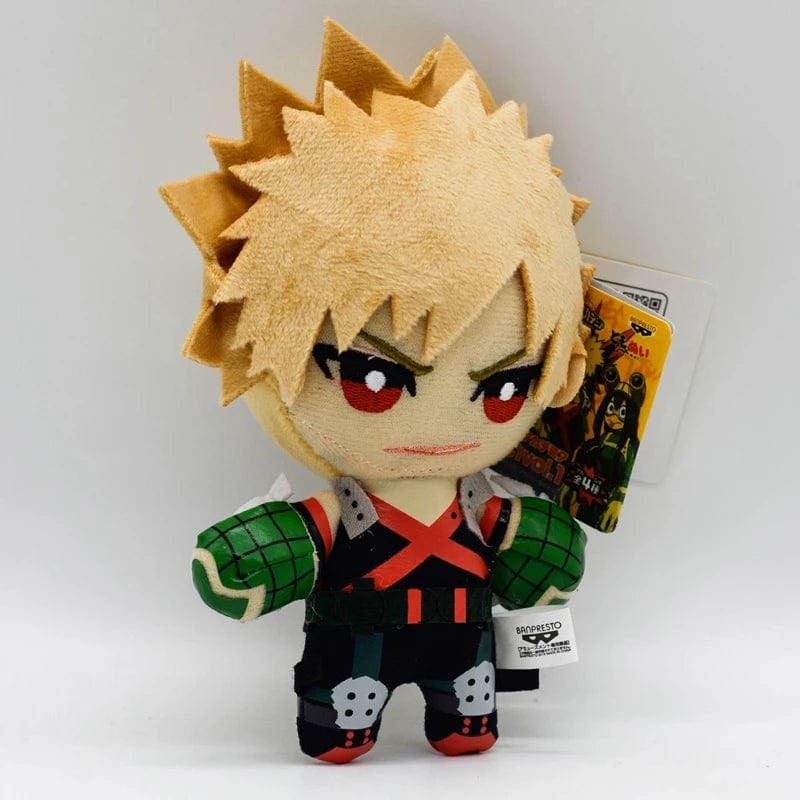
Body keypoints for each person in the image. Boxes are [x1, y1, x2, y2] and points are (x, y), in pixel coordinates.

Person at [162, 20, 591, 762]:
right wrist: (256, 557)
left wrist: (546, 554)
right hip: (350, 650)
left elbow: (542, 562)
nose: (441, 424)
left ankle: (457, 723)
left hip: (465, 652)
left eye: (505, 387)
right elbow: (280, 548)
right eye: (373, 379)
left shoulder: (477, 505)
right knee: (337, 727)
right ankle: (345, 725)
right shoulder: (347, 511)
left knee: (468, 723)